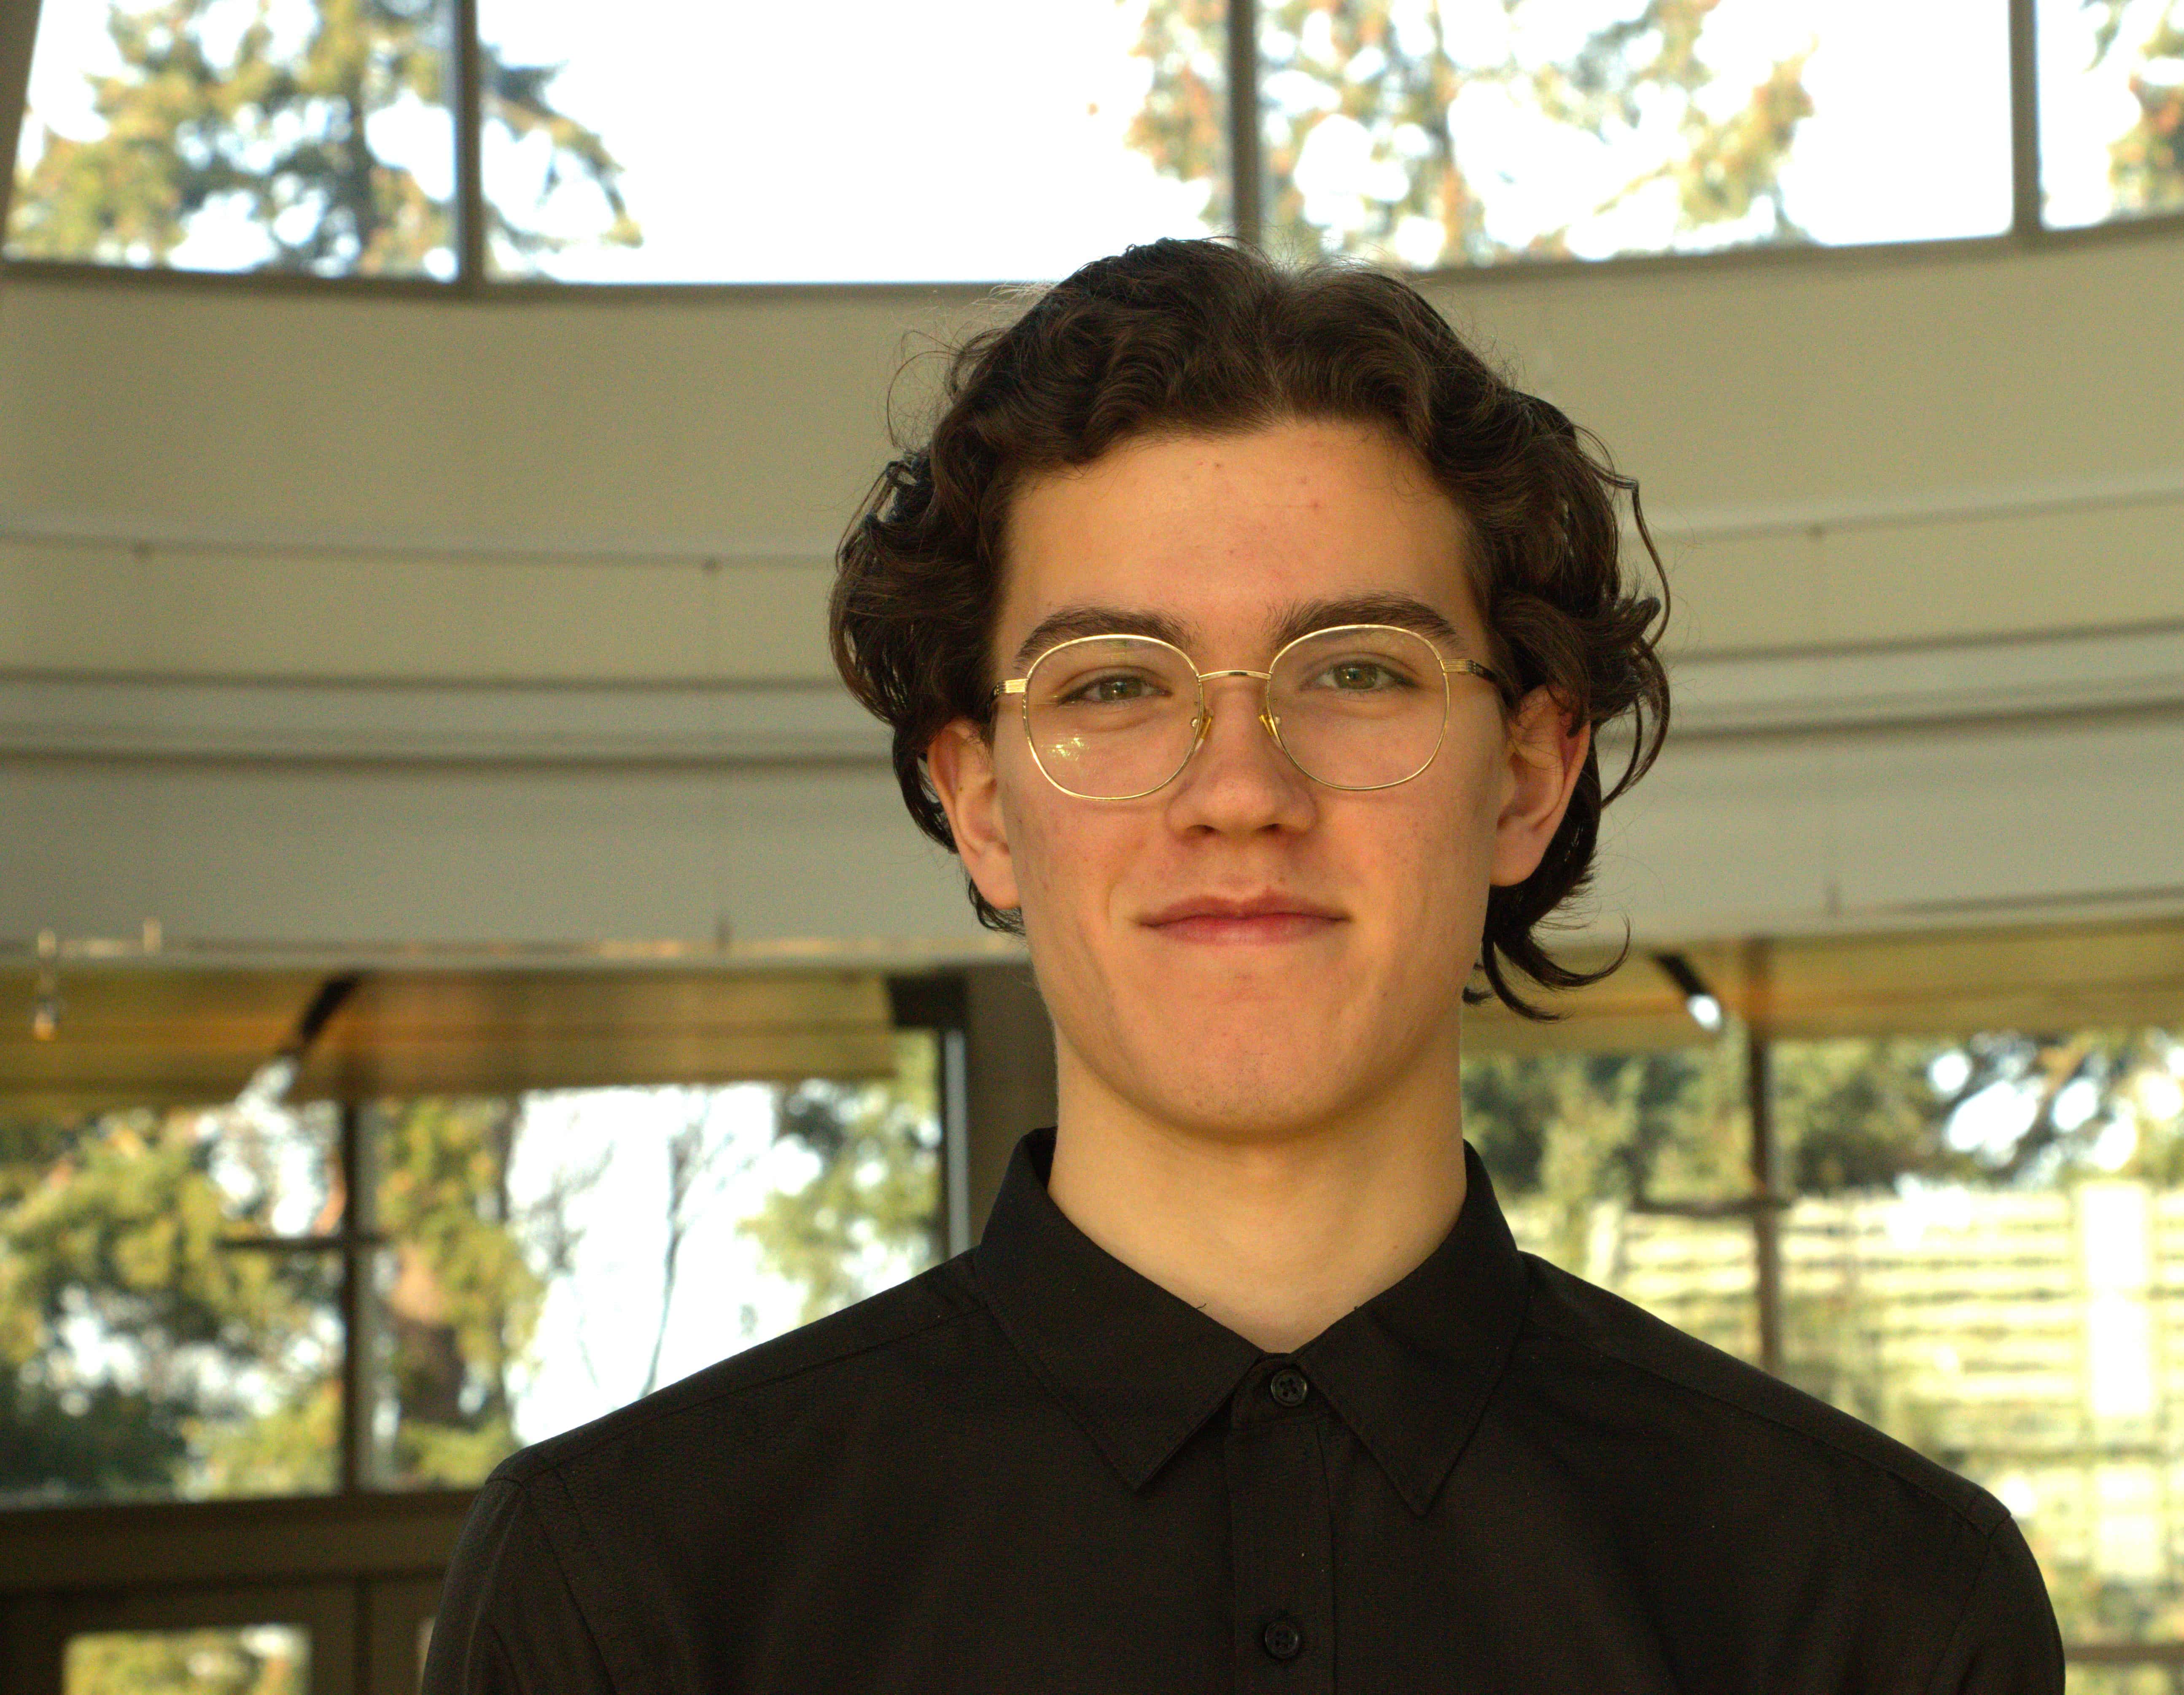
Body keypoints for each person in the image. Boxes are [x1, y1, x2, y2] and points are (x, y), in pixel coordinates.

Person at [422, 237, 2063, 1693]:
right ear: (984, 808)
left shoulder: (1878, 1608)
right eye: (1113, 687)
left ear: (1529, 774)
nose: (1240, 793)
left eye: (1356, 669)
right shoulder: (627, 1597)